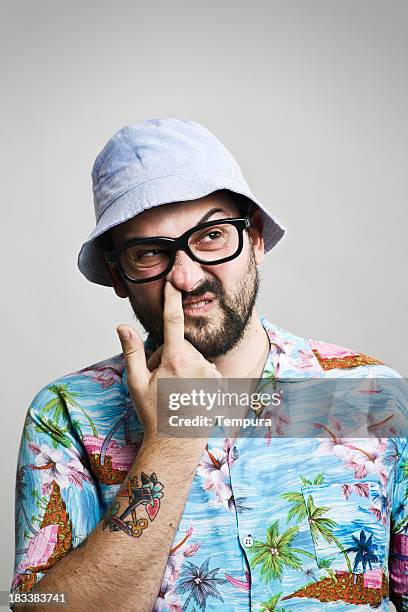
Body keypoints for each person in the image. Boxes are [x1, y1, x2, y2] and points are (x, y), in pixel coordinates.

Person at [11, 119, 408, 611]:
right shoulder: (69, 414)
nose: (187, 276)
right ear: (118, 275)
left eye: (212, 235)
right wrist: (172, 438)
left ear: (256, 238)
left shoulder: (371, 397)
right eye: (150, 252)